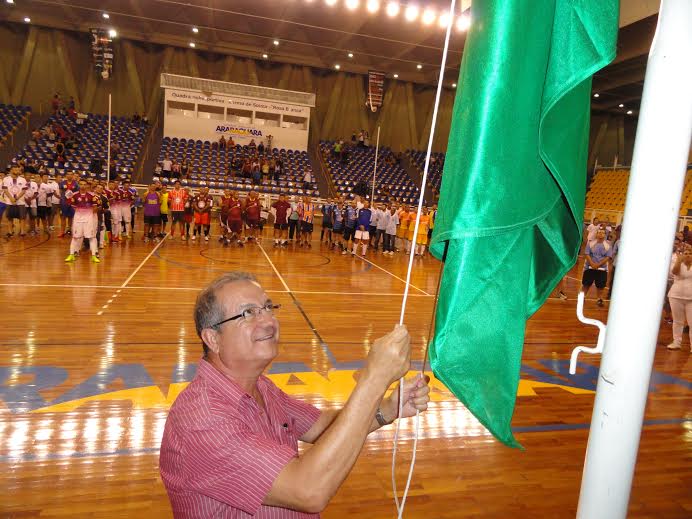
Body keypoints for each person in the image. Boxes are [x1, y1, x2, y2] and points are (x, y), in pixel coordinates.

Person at [159, 272, 430, 517]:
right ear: (212, 338)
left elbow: (323, 427)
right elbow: (308, 490)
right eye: (248, 313)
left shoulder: (261, 387)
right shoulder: (201, 420)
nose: (268, 321)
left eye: (267, 307)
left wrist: (386, 409)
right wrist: (374, 379)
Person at [64, 179, 101, 263]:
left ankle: (94, 255)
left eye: (85, 184)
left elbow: (96, 208)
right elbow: (73, 207)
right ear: (79, 185)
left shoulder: (92, 196)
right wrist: (80, 213)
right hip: (78, 220)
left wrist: (88, 214)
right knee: (75, 237)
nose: (83, 186)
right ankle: (71, 255)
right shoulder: (74, 195)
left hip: (89, 220)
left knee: (91, 237)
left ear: (87, 185)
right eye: (81, 184)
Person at [667, 244, 692, 351]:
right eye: (686, 253)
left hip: (691, 298)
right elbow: (674, 272)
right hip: (675, 296)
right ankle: (676, 342)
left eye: (690, 253)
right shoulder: (678, 263)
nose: (688, 255)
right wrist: (679, 260)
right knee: (677, 321)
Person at [580, 228, 612, 307]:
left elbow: (607, 257)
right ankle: (582, 298)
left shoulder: (608, 245)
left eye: (603, 233)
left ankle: (599, 299)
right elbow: (587, 254)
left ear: (605, 235)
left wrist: (598, 265)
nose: (601, 234)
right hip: (589, 268)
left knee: (600, 286)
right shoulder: (590, 243)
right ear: (596, 234)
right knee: (586, 284)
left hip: (602, 269)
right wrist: (592, 264)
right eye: (599, 232)